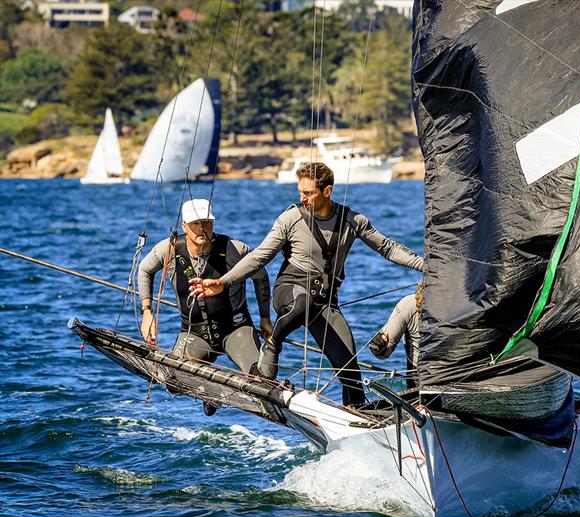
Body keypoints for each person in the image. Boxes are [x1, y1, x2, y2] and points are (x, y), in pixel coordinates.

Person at [189, 162, 423, 407]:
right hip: (290, 291)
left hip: (324, 303)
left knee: (350, 371)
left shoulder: (352, 220)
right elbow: (260, 256)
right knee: (303, 301)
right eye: (300, 191)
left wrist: (425, 265)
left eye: (308, 193)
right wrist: (223, 282)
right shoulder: (290, 218)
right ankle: (272, 343)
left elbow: (388, 248)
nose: (303, 198)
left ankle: (358, 416)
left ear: (327, 191)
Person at [138, 198, 273, 415]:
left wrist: (265, 318)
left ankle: (221, 385)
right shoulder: (169, 249)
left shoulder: (235, 249)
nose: (203, 229)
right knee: (172, 381)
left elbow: (261, 276)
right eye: (196, 224)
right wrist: (147, 312)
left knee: (263, 382)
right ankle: (212, 391)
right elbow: (144, 270)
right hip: (195, 332)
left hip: (235, 329)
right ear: (184, 226)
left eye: (207, 223)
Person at [369, 282, 422, 388]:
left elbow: (383, 353)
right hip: (461, 378)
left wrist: (377, 345)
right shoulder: (464, 301)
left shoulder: (410, 304)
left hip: (422, 383)